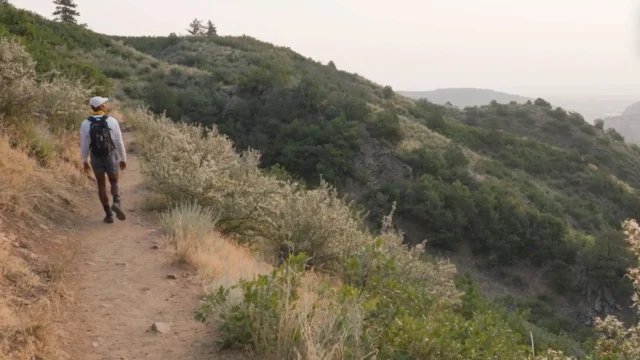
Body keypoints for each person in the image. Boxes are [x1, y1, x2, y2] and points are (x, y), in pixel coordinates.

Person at [80, 96, 127, 223]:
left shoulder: (85, 123)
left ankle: (108, 215)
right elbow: (118, 141)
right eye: (104, 103)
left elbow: (84, 144)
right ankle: (116, 203)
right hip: (110, 154)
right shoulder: (112, 121)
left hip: (95, 156)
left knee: (101, 185)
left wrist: (84, 160)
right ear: (101, 106)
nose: (105, 105)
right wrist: (123, 158)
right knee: (114, 182)